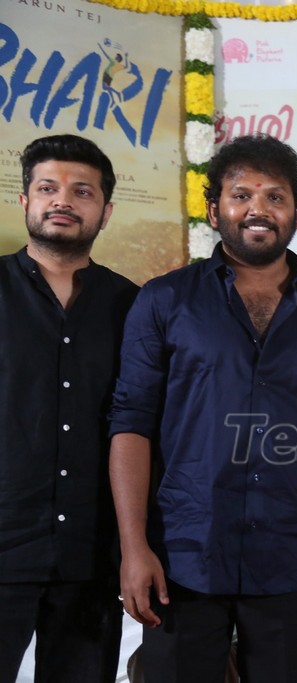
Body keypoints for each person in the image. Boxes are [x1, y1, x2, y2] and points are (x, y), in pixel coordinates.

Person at [108, 134, 297, 683]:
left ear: (296, 213)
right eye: (241, 195)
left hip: (290, 554)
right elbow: (131, 424)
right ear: (215, 211)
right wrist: (133, 548)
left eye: (275, 196)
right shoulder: (164, 300)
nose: (258, 208)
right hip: (183, 555)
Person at [0, 135, 137, 682]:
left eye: (82, 191)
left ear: (105, 211)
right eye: (47, 188)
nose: (63, 200)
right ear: (25, 201)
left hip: (91, 553)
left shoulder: (133, 306)